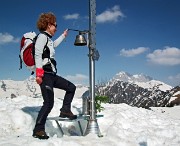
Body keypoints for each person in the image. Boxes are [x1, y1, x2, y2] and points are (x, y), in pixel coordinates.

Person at [32, 12, 77, 139]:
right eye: (54, 25)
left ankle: (65, 110)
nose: (56, 28)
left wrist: (63, 36)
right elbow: (37, 54)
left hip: (52, 75)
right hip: (45, 75)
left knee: (71, 87)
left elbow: (54, 45)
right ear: (47, 24)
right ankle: (38, 130)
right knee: (48, 103)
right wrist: (39, 74)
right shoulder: (41, 37)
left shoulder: (48, 39)